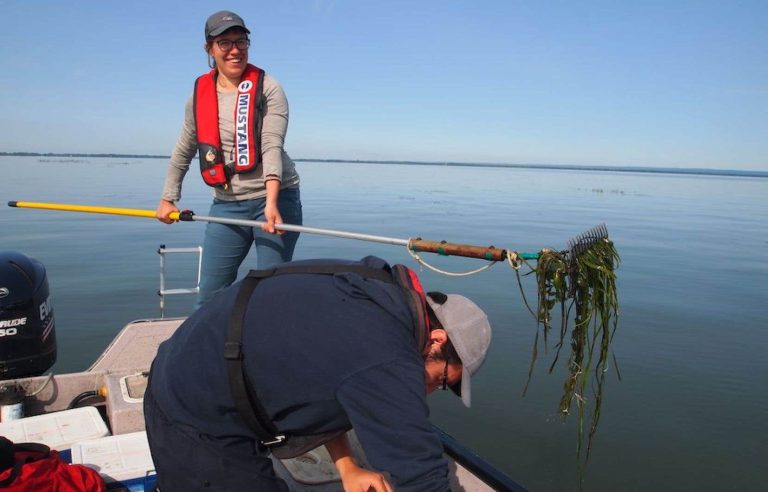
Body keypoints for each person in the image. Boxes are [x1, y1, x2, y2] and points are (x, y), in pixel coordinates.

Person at [144, 255, 492, 491]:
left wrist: (347, 466)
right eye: (443, 380)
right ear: (436, 340)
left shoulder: (375, 294)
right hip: (193, 416)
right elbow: (423, 475)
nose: (430, 391)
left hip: (191, 367)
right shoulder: (387, 354)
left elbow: (326, 379)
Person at [156, 11, 302, 306]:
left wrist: (271, 202)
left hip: (276, 199)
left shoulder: (269, 88)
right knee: (209, 294)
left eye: (241, 41)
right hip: (227, 204)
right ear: (209, 48)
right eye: (225, 43)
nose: (235, 50)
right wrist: (168, 198)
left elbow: (272, 144)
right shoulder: (199, 94)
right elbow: (185, 147)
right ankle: (204, 349)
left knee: (270, 293)